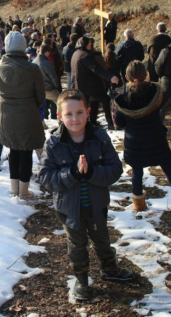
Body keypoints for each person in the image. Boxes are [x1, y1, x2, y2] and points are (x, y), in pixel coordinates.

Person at [38, 89, 135, 301]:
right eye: (69, 114)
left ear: (88, 112)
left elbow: (115, 169)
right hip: (69, 209)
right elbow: (45, 178)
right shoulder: (53, 143)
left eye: (79, 112)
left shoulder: (99, 138)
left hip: (97, 204)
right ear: (60, 116)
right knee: (77, 245)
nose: (75, 118)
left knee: (102, 239)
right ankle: (81, 280)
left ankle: (109, 269)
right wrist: (72, 173)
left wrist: (91, 172)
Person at [114, 61, 171, 211]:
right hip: (156, 137)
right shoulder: (155, 92)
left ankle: (138, 203)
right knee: (167, 166)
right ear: (146, 74)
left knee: (137, 171)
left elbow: (119, 123)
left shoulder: (122, 100)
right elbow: (160, 106)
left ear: (126, 77)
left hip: (135, 143)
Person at [0, 31, 46, 199]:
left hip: (7, 115)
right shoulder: (33, 69)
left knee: (14, 150)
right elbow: (41, 97)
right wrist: (29, 104)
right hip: (28, 114)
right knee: (26, 151)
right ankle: (24, 191)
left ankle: (14, 189)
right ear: (23, 47)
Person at [71, 37, 119, 129]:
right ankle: (110, 123)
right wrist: (110, 77)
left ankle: (84, 125)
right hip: (89, 85)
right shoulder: (86, 55)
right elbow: (97, 68)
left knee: (83, 106)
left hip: (79, 84)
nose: (91, 44)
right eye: (89, 42)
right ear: (85, 44)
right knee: (105, 99)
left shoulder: (76, 53)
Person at [33, 44, 61, 120]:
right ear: (47, 52)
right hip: (49, 89)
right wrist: (57, 87)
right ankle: (61, 122)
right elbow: (53, 78)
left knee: (39, 105)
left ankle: (42, 122)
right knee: (61, 102)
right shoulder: (47, 63)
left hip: (38, 89)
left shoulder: (34, 61)